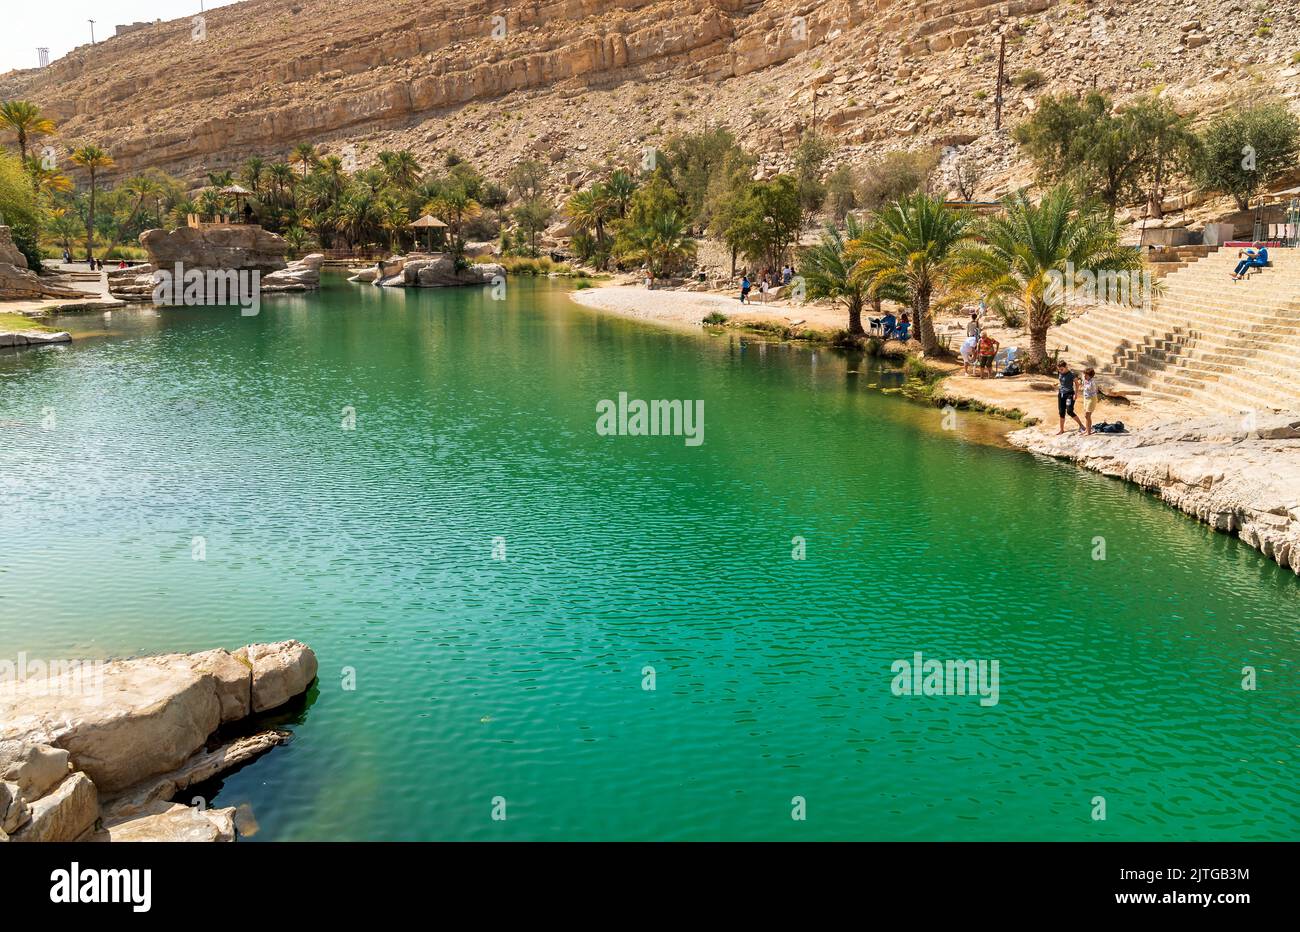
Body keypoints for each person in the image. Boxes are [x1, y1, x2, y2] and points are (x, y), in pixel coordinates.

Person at [1056, 360, 1086, 434]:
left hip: (1069, 394)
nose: (1060, 371)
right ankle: (1061, 429)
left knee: (1069, 411)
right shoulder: (1059, 372)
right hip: (1061, 394)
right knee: (1061, 412)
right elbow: (1061, 381)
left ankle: (1081, 425)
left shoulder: (1071, 374)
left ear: (1066, 367)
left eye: (1062, 369)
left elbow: (1077, 384)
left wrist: (1076, 394)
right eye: (1059, 369)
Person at [1081, 367, 1099, 435]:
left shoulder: (1092, 383)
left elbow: (1091, 389)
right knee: (1086, 415)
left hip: (1091, 399)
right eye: (1084, 374)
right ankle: (1087, 429)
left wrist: (1084, 383)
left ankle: (1088, 432)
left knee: (1087, 415)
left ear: (1090, 376)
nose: (1084, 376)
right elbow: (1083, 377)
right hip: (1086, 398)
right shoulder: (1085, 378)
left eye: (1086, 375)